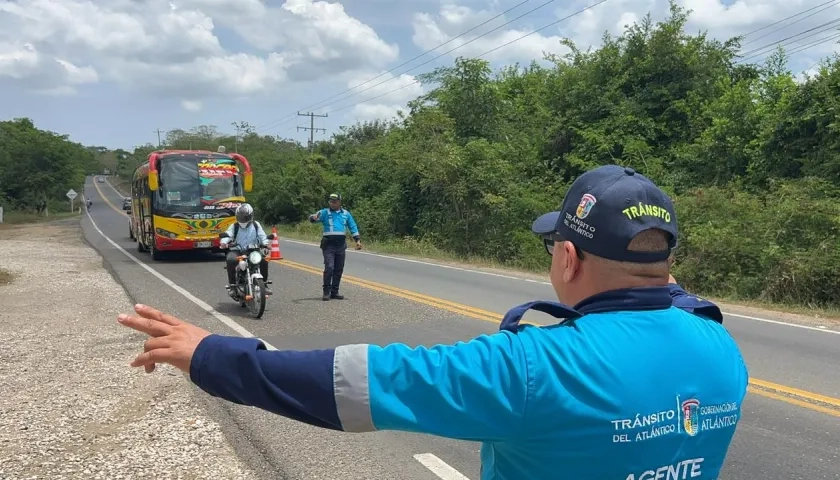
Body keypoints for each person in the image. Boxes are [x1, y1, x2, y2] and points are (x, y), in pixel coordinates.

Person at [117, 165, 749, 479]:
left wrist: (207, 353)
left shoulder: (533, 366)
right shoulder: (720, 345)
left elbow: (355, 383)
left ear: (566, 256)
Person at [308, 193, 362, 301]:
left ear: (339, 202)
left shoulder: (346, 214)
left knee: (338, 269)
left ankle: (334, 292)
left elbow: (353, 226)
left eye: (334, 201)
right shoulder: (324, 212)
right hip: (328, 245)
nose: (332, 203)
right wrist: (313, 218)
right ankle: (326, 291)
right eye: (330, 201)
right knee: (329, 267)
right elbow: (313, 218)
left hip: (341, 245)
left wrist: (357, 240)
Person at [220, 203, 272, 296]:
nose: (243, 219)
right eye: (241, 217)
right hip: (236, 250)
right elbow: (228, 234)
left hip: (253, 250)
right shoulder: (234, 226)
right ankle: (232, 286)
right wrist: (224, 242)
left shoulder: (256, 225)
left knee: (264, 260)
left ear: (251, 216)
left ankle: (264, 284)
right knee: (230, 260)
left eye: (245, 217)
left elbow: (262, 236)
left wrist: (266, 244)